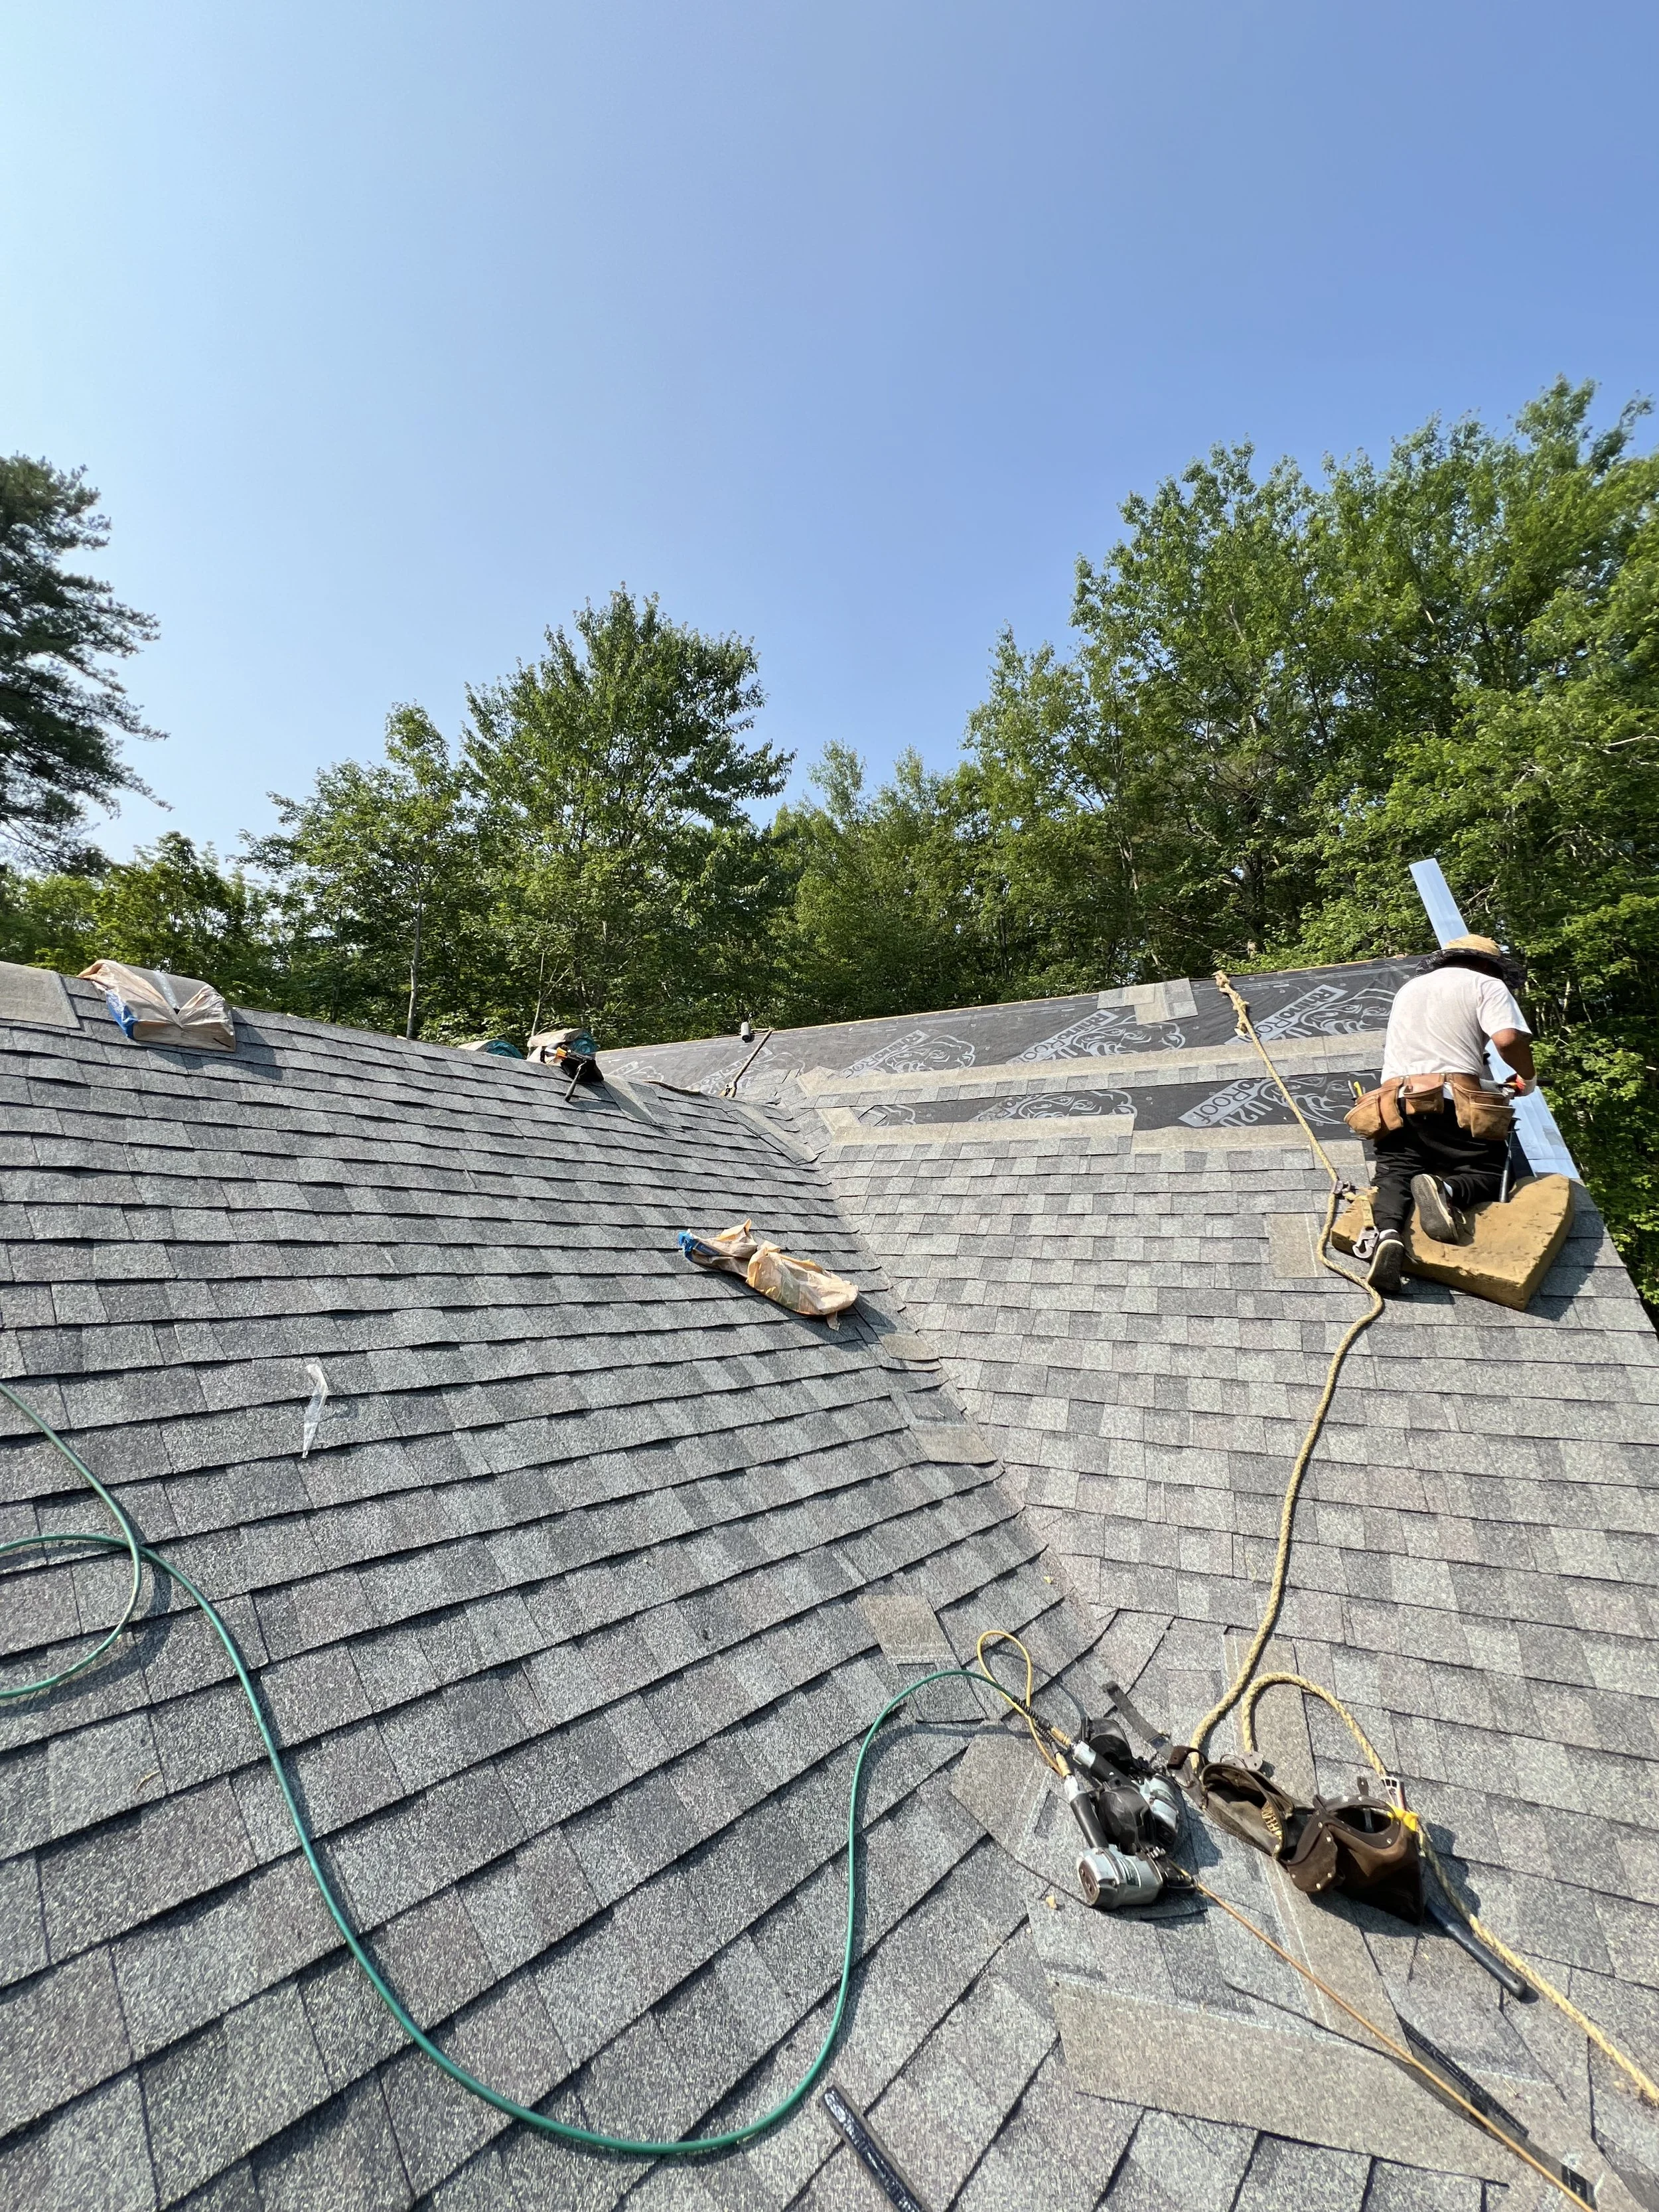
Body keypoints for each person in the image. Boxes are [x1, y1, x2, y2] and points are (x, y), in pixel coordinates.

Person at [1362, 934, 1536, 1295]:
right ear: (1489, 965)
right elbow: (1507, 1041)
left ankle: (1388, 1237)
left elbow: (1431, 1056)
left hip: (1397, 1102)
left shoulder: (1409, 990)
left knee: (1396, 1171)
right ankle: (1447, 1189)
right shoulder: (1486, 984)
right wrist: (1528, 1077)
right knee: (1491, 1170)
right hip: (1452, 1103)